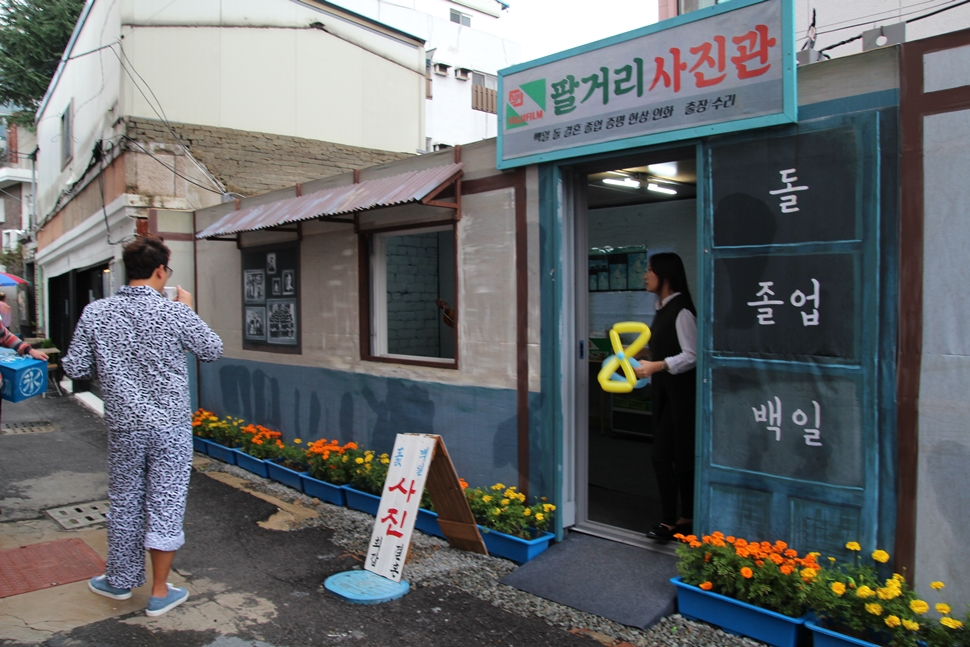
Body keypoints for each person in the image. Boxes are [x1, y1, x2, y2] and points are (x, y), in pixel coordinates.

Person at [63, 235, 223, 617]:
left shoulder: (97, 313)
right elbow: (212, 349)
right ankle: (159, 590)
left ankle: (119, 581)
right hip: (169, 428)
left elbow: (75, 368)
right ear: (160, 271)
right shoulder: (173, 312)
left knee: (125, 502)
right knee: (165, 502)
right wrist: (186, 310)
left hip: (124, 427)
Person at [633, 252, 697, 544]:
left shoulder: (681, 310)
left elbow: (692, 355)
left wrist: (656, 366)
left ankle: (671, 520)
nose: (645, 275)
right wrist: (644, 357)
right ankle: (686, 518)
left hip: (681, 395)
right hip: (666, 393)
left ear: (665, 275)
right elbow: (666, 348)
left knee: (663, 456)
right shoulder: (662, 308)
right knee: (677, 457)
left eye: (649, 270)